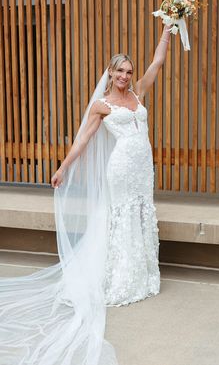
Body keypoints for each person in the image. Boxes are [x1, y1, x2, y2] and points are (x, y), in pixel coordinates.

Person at [0, 25, 170, 365]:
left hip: (142, 168)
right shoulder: (101, 105)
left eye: (129, 71)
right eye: (120, 70)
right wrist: (62, 167)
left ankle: (142, 273)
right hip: (120, 168)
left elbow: (158, 62)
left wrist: (169, 27)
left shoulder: (138, 93)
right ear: (110, 72)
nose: (125, 75)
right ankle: (120, 277)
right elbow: (83, 140)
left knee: (139, 213)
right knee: (120, 214)